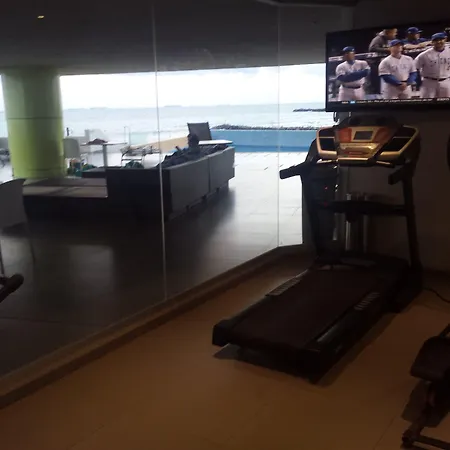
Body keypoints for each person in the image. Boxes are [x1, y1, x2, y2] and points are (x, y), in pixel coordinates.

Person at [415, 32, 450, 98]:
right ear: (432, 42)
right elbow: (416, 68)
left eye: (441, 39)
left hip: (445, 81)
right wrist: (418, 81)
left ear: (445, 39)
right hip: (429, 82)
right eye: (436, 40)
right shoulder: (424, 55)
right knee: (426, 101)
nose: (438, 42)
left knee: (446, 102)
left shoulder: (449, 51)